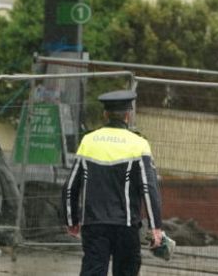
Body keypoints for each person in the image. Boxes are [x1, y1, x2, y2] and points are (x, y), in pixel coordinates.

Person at [62, 90, 163, 276]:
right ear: (128, 115)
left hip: (94, 224)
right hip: (126, 225)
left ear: (105, 114)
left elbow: (70, 187)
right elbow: (148, 189)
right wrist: (155, 227)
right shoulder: (139, 144)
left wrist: (71, 220)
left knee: (93, 270)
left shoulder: (88, 141)